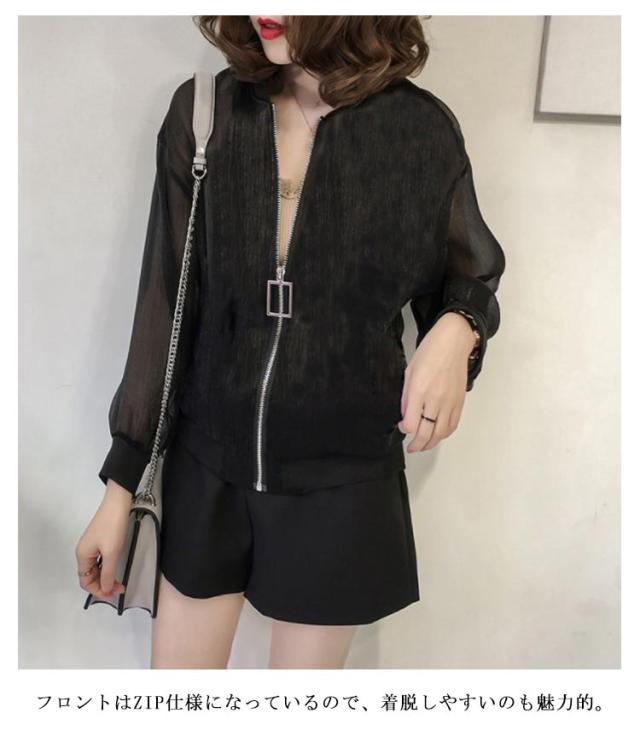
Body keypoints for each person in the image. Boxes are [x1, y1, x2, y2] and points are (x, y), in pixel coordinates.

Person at [75, 15, 506, 670]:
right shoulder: (205, 113)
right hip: (207, 466)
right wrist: (121, 487)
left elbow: (468, 272)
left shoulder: (419, 131)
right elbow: (164, 307)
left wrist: (457, 327)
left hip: (341, 479)